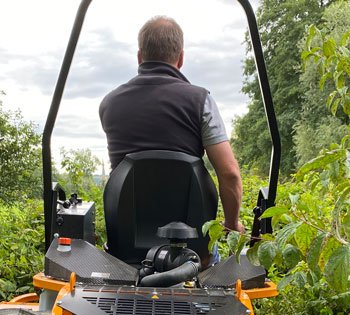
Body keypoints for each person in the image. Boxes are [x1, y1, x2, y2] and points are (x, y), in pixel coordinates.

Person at [99, 16, 246, 242]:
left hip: (124, 248)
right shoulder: (200, 101)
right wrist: (231, 225)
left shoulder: (109, 104)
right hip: (192, 250)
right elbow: (230, 174)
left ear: (140, 57)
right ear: (181, 58)